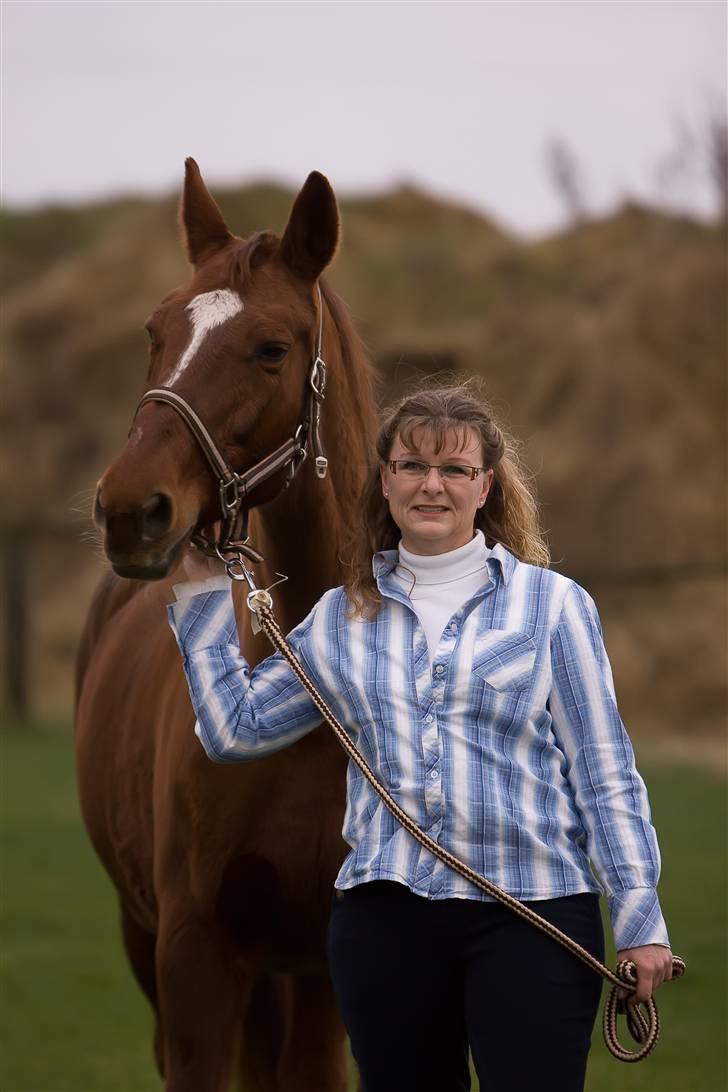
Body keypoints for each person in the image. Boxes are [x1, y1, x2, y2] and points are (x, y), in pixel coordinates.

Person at [167, 381, 673, 1092]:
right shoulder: (341, 616)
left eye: (455, 470)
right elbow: (235, 729)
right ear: (385, 479)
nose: (431, 485)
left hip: (533, 916)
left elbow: (603, 772)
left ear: (485, 486)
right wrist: (199, 592)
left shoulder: (554, 606)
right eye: (411, 466)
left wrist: (641, 918)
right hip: (384, 926)